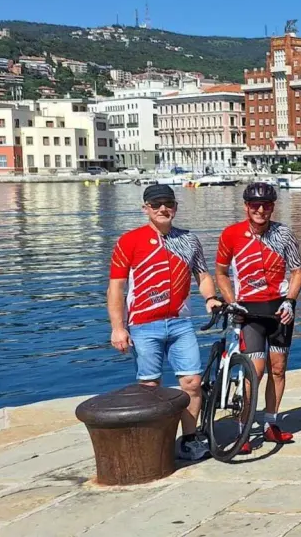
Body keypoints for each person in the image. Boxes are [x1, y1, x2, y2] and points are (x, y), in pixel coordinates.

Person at [107, 184, 220, 461]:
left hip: (180, 323)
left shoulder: (189, 240)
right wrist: (118, 328)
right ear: (145, 208)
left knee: (192, 383)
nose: (162, 209)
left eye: (167, 203)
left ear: (175, 207)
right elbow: (116, 288)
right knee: (150, 388)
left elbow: (203, 275)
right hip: (144, 325)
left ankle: (190, 439)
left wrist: (210, 298)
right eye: (155, 204)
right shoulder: (129, 241)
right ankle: (154, 441)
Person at [214, 181, 301, 451]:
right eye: (255, 205)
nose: (260, 209)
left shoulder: (284, 234)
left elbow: (297, 271)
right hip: (248, 310)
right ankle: (243, 429)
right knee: (256, 371)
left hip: (279, 309)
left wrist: (290, 301)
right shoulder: (231, 234)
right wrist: (232, 302)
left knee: (278, 368)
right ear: (246, 206)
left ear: (272, 207)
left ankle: (271, 423)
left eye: (266, 205)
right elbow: (220, 272)